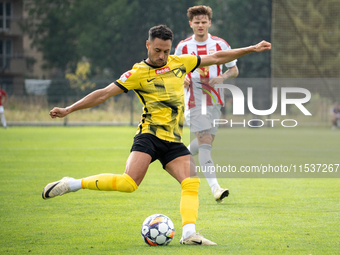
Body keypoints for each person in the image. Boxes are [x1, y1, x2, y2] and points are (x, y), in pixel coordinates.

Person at [43, 25, 271, 245]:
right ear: (147, 45)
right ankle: (72, 183)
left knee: (191, 182)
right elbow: (103, 94)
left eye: (166, 51)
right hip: (149, 136)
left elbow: (219, 57)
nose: (162, 56)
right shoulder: (137, 73)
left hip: (173, 141)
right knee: (129, 183)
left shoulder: (181, 62)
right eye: (157, 50)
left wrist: (251, 48)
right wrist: (69, 109)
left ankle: (189, 234)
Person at [174, 5, 238, 203]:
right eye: (197, 22)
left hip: (215, 101)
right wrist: (181, 77)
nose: (200, 25)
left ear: (209, 23)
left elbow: (234, 70)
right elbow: (173, 71)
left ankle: (177, 153)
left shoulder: (220, 44)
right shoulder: (183, 47)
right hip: (194, 100)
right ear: (191, 24)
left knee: (206, 143)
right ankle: (216, 189)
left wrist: (222, 76)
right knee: (205, 145)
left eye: (204, 22)